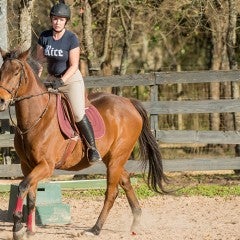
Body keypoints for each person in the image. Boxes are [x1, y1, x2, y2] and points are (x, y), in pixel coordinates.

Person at [36, 1, 102, 164]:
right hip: (51, 78)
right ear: (51, 19)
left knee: (78, 113)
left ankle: (92, 148)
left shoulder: (71, 39)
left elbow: (74, 65)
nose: (57, 22)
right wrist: (38, 80)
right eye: (55, 19)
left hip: (70, 80)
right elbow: (39, 61)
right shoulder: (44, 36)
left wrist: (62, 81)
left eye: (61, 19)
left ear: (66, 21)